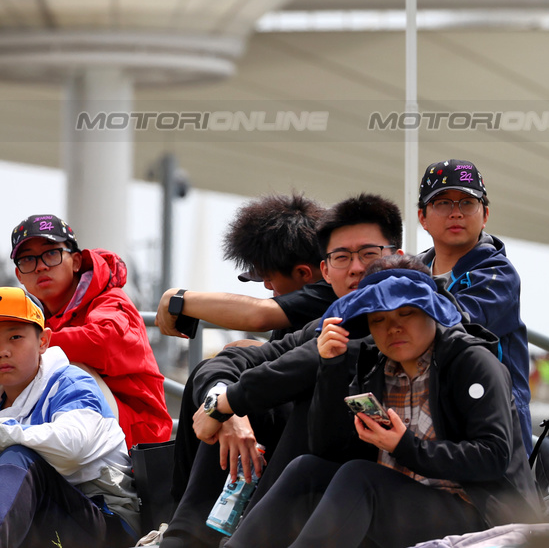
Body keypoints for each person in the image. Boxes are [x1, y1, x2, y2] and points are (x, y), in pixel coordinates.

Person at [224, 267, 540, 548]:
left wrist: (406, 447)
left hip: (479, 514)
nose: (393, 328)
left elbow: (493, 457)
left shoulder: (471, 362)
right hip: (401, 503)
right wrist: (331, 368)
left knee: (360, 476)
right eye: (379, 319)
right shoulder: (373, 365)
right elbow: (325, 448)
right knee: (307, 469)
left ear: (430, 312)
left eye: (407, 314)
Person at [158, 194, 402, 548]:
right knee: (226, 379)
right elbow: (244, 362)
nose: (356, 268)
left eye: (369, 254)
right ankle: (183, 537)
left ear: (394, 256)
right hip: (324, 467)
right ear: (326, 266)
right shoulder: (334, 317)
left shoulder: (413, 316)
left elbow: (284, 342)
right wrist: (225, 407)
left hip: (390, 487)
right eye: (342, 257)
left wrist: (176, 299)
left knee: (283, 396)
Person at [10, 213, 168, 448]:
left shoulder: (110, 300)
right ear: (19, 275)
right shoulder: (34, 317)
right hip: (81, 427)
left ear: (75, 261)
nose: (41, 265)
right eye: (28, 259)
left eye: (51, 253)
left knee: (60, 363)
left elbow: (103, 343)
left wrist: (27, 344)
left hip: (136, 437)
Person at [0, 285, 140, 547]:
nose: (2, 351)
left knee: (21, 455)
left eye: (15, 337)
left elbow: (71, 448)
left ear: (43, 341)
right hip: (44, 518)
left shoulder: (71, 383)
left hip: (106, 524)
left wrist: (4, 432)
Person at [414, 158, 532, 453]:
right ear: (422, 217)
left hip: (493, 436)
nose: (456, 213)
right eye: (442, 203)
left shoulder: (498, 274)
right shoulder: (412, 271)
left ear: (485, 213)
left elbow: (452, 323)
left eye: (467, 202)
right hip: (425, 420)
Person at [157, 193, 332, 344]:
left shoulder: (330, 292)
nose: (267, 287)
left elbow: (259, 315)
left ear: (303, 273)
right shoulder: (295, 312)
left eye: (269, 278)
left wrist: (178, 298)